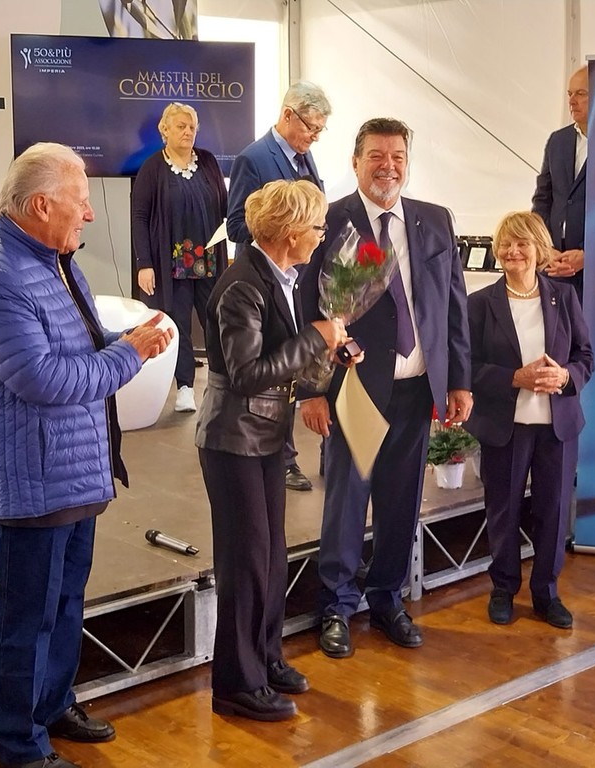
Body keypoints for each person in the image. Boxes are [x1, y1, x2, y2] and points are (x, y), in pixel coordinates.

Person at [0, 143, 174, 768]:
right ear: (42, 205)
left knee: (65, 606)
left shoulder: (55, 259)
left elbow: (81, 344)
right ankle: (21, 748)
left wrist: (127, 338)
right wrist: (130, 353)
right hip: (31, 482)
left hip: (71, 472)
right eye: (81, 201)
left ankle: (52, 706)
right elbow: (43, 379)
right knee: (27, 620)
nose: (91, 214)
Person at [299, 118, 472, 658]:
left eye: (397, 156)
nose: (388, 166)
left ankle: (387, 599)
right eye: (376, 155)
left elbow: (454, 307)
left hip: (417, 390)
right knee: (346, 501)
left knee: (402, 502)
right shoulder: (329, 222)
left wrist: (459, 380)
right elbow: (306, 311)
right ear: (355, 162)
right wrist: (310, 390)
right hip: (353, 389)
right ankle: (336, 606)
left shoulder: (435, 220)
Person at [195, 180, 351, 721]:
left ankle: (264, 658)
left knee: (270, 558)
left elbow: (283, 357)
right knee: (245, 564)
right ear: (290, 232)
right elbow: (246, 374)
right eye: (317, 227)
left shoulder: (279, 278)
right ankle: (237, 684)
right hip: (233, 440)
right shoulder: (243, 285)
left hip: (264, 436)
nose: (322, 236)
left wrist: (329, 351)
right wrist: (315, 338)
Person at [464, 212, 593, 630]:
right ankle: (503, 589)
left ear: (539, 249)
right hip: (506, 426)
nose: (512, 252)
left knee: (553, 512)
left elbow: (585, 357)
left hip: (558, 426)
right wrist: (513, 378)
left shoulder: (564, 297)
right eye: (505, 244)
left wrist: (566, 377)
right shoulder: (479, 303)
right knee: (503, 511)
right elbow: (466, 367)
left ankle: (546, 594)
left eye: (522, 244)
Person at [227, 81, 332, 491]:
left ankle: (305, 447)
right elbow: (237, 224)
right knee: (276, 365)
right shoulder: (253, 158)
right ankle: (283, 456)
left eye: (320, 130)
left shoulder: (306, 157)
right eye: (310, 127)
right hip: (268, 281)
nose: (314, 136)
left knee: (304, 361)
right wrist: (281, 232)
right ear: (288, 115)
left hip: (301, 276)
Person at [132, 102, 228, 414]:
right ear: (165, 130)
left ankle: (221, 382)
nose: (188, 132)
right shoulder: (152, 168)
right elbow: (139, 217)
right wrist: (144, 264)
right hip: (171, 263)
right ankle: (185, 387)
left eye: (192, 127)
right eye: (181, 126)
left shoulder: (209, 162)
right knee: (179, 325)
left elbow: (225, 207)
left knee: (217, 321)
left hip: (209, 260)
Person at [532, 64, 589, 301]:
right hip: (554, 265)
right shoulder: (558, 140)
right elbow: (542, 199)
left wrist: (588, 255)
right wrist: (545, 247)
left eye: (581, 94)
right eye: (569, 94)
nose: (572, 101)